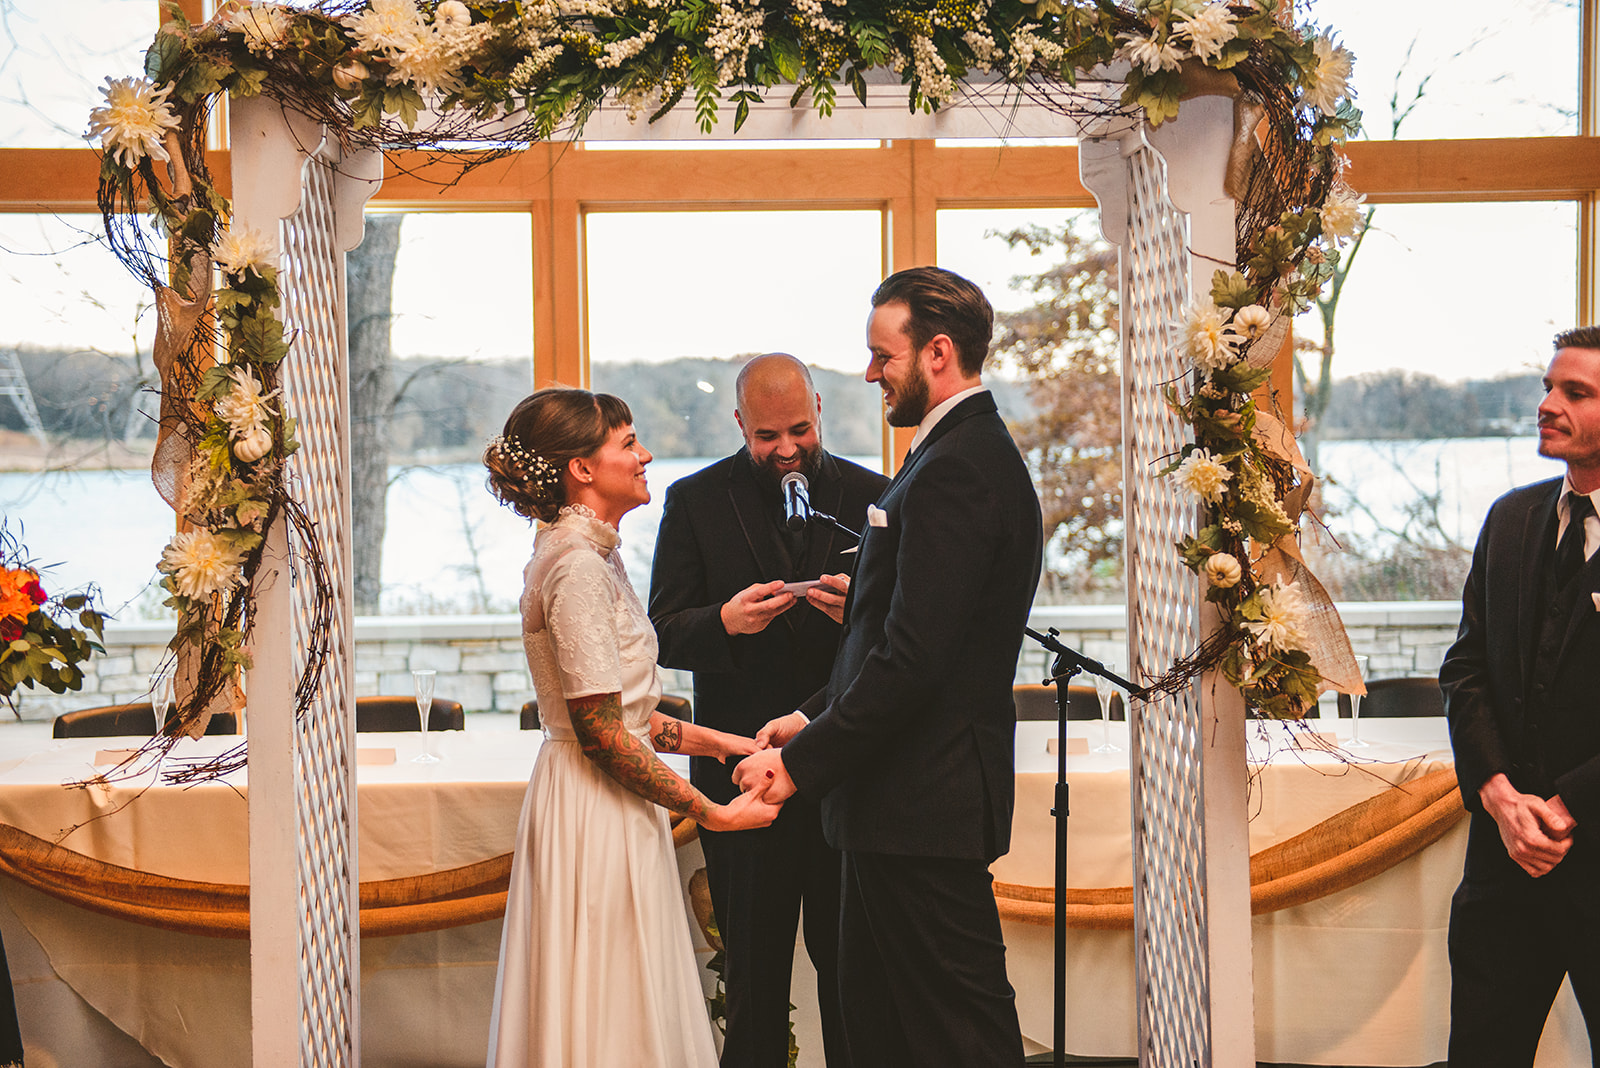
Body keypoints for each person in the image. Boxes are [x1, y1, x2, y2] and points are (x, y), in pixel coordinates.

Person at [733, 267, 1043, 1067]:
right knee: (879, 1032)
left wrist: (801, 763)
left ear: (938, 352)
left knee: (959, 1036)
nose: (871, 373)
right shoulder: (941, 454)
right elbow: (885, 636)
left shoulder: (960, 467)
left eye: (883, 355)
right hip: (891, 804)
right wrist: (810, 715)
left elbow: (914, 658)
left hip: (924, 806)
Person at [483, 387, 783, 1068]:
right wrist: (713, 811)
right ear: (581, 469)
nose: (645, 455)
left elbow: (633, 719)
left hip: (606, 794)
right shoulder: (577, 568)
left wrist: (735, 741)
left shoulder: (591, 555)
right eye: (627, 443)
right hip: (595, 806)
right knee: (609, 1000)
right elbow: (601, 734)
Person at [648, 352, 889, 1068]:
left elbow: (902, 634)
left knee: (852, 980)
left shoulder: (877, 495)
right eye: (765, 436)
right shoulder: (693, 500)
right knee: (751, 980)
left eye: (799, 430)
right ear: (738, 425)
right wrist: (722, 622)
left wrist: (863, 613)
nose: (785, 450)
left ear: (820, 409)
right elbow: (660, 631)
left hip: (846, 771)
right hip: (740, 772)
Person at [1440, 327, 1600, 1065]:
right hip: (1503, 867)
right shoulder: (1510, 519)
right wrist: (1502, 799)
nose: (1547, 405)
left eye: (1576, 392)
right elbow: (1466, 668)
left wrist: (1566, 808)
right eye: (1548, 387)